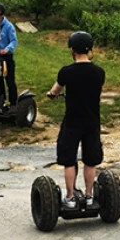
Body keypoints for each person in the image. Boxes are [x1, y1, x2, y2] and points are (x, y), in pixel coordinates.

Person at [47, 31, 105, 208]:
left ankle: (71, 198)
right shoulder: (99, 72)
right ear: (90, 50)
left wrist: (51, 95)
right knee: (90, 160)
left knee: (68, 159)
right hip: (92, 121)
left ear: (73, 50)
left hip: (73, 121)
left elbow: (55, 90)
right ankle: (88, 196)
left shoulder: (66, 72)